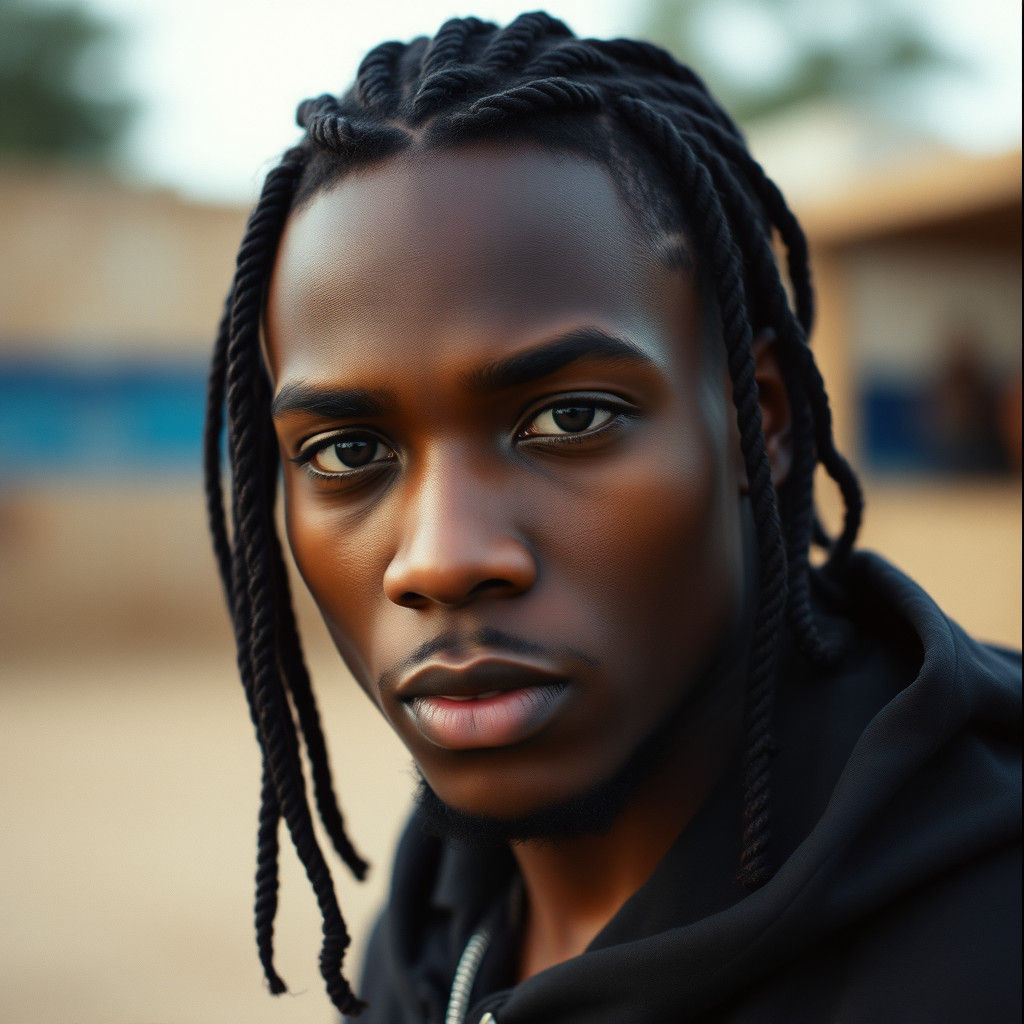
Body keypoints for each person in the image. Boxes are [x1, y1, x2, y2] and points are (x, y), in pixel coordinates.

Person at [203, 12, 1022, 1023]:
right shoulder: (433, 926)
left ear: (757, 421)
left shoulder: (989, 936)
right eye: (348, 452)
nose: (442, 559)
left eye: (570, 419)